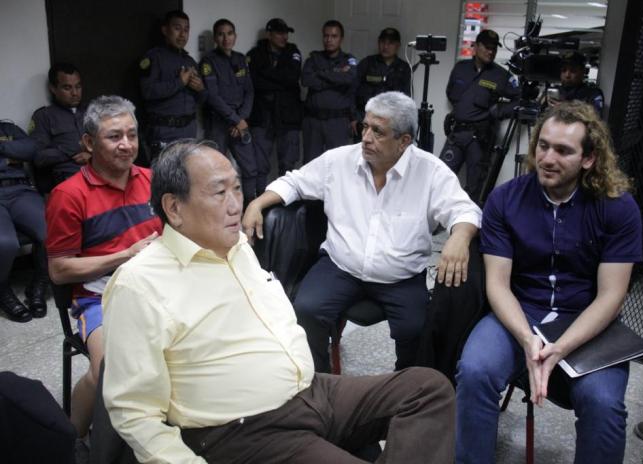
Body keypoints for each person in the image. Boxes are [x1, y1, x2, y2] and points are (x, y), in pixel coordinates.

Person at [101, 139, 456, 464]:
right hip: (246, 429)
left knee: (428, 389)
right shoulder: (140, 284)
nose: (234, 204)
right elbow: (134, 412)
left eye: (237, 188)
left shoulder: (238, 247)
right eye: (218, 192)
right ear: (174, 208)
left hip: (312, 391)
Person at [455, 101, 642, 463]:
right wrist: (528, 339)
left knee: (603, 404)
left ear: (588, 159)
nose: (548, 158)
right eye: (543, 145)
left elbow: (611, 296)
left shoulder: (617, 208)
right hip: (519, 312)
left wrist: (559, 347)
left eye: (563, 150)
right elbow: (497, 284)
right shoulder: (505, 199)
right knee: (475, 371)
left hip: (585, 318)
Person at [243, 91, 482, 373]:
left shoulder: (430, 172)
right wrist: (257, 203)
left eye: (378, 131)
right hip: (341, 265)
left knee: (418, 331)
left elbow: (465, 210)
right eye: (365, 126)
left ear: (404, 141)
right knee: (306, 310)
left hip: (401, 276)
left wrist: (460, 236)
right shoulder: (339, 161)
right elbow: (295, 183)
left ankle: (402, 393)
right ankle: (318, 382)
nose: (366, 137)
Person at [45, 95, 162, 439]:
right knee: (108, 369)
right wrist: (125, 255)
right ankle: (72, 439)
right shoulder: (68, 195)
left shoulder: (152, 179)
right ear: (88, 142)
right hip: (101, 296)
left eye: (132, 135)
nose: (126, 145)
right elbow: (59, 270)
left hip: (157, 286)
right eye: (114, 136)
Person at [439, 29, 520, 201]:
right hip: (457, 133)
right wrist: (462, 110)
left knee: (475, 187)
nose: (490, 52)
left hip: (479, 139)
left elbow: (520, 99)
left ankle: (470, 225)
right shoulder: (461, 68)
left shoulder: (501, 75)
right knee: (441, 178)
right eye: (487, 47)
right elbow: (451, 92)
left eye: (494, 49)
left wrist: (499, 111)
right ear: (476, 47)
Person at [200, 18, 259, 204]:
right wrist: (235, 119)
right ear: (215, 39)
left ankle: (250, 208)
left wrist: (242, 119)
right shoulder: (208, 62)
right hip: (219, 123)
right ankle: (217, 210)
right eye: (221, 34)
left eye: (230, 34)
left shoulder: (241, 60)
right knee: (214, 171)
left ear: (235, 36)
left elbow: (249, 91)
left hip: (240, 122)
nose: (226, 38)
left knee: (250, 169)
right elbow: (212, 96)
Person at [140, 10, 207, 160]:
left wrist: (201, 89)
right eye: (177, 28)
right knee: (163, 180)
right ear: (165, 30)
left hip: (188, 132)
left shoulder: (190, 62)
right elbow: (148, 91)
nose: (182, 35)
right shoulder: (153, 58)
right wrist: (180, 82)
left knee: (187, 179)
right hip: (164, 133)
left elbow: (202, 99)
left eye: (186, 29)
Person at [246, 18, 303, 190]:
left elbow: (292, 77)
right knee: (260, 165)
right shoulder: (255, 54)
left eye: (286, 33)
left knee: (288, 165)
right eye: (279, 33)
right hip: (262, 117)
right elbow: (254, 83)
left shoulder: (293, 51)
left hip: (288, 117)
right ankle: (260, 204)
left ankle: (286, 203)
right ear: (269, 34)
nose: (284, 37)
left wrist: (267, 74)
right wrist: (281, 79)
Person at [0, 121, 48, 322]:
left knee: (51, 231)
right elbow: (20, 152)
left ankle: (39, 282)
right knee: (6, 243)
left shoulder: (8, 129)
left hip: (21, 191)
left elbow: (31, 150)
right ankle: (2, 290)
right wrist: (8, 159)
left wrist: (1, 148)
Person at [301, 20, 358, 164]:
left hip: (337, 121)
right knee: (311, 166)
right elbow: (306, 80)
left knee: (338, 165)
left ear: (341, 39)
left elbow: (349, 78)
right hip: (313, 121)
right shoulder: (313, 58)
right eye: (326, 36)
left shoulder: (349, 60)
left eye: (334, 36)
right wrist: (336, 77)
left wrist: (321, 73)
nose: (329, 40)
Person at [30, 62, 89, 193]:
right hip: (69, 176)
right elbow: (38, 157)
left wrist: (93, 155)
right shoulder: (43, 116)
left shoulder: (92, 111)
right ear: (53, 88)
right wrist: (71, 149)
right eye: (67, 88)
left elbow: (109, 144)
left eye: (78, 87)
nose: (74, 93)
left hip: (100, 170)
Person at [355, 28, 411, 122]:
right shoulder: (367, 63)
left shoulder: (404, 68)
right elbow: (352, 91)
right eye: (382, 42)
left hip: (391, 122)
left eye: (390, 43)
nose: (385, 46)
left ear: (398, 46)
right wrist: (354, 118)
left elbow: (407, 99)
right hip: (366, 118)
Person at [548, 51, 604, 116]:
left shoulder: (592, 93)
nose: (567, 75)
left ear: (583, 72)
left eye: (573, 71)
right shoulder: (555, 91)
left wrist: (567, 108)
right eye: (564, 70)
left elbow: (596, 115)